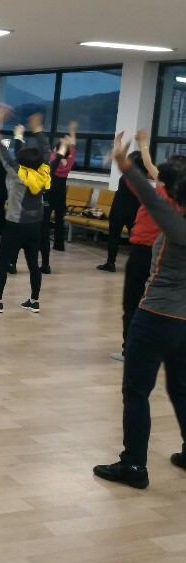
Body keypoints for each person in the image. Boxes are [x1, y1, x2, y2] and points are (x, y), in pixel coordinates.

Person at [93, 131, 186, 490]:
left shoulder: (178, 225)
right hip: (183, 323)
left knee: (136, 391)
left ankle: (133, 465)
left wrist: (123, 162)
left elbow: (149, 195)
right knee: (181, 388)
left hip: (157, 318)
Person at [110, 132, 186, 361]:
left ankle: (131, 349)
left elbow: (141, 180)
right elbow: (149, 166)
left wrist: (124, 158)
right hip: (156, 258)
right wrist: (142, 144)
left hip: (145, 254)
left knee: (134, 303)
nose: (155, 174)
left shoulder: (161, 200)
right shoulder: (173, 199)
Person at [0, 113, 51, 315]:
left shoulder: (18, 174)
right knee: (33, 265)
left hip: (15, 226)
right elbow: (46, 152)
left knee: (2, 263)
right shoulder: (44, 171)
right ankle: (34, 301)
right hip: (35, 226)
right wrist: (37, 129)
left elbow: (4, 155)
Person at [97, 148, 145, 273]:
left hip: (119, 209)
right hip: (134, 210)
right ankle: (136, 265)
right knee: (134, 239)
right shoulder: (142, 177)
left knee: (114, 237)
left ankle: (111, 263)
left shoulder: (128, 175)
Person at [47, 121, 78, 252]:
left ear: (56, 150)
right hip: (61, 192)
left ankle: (42, 242)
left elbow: (60, 151)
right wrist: (72, 130)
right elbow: (73, 145)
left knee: (45, 218)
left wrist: (62, 145)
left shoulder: (54, 158)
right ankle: (59, 245)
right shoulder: (70, 159)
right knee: (59, 219)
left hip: (50, 191)